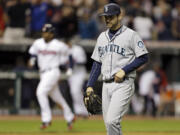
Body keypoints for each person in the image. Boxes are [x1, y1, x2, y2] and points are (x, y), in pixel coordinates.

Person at [85, 3, 148, 135]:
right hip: (105, 85)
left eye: (111, 16)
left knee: (112, 121)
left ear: (120, 16)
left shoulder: (131, 35)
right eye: (105, 17)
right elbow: (97, 63)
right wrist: (90, 85)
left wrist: (125, 70)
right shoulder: (102, 37)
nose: (107, 19)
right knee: (109, 126)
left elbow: (143, 57)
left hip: (123, 84)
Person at [28, 23, 75, 130]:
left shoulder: (58, 45)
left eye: (47, 32)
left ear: (52, 33)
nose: (45, 34)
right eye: (44, 32)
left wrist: (70, 68)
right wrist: (32, 59)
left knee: (40, 92)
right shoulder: (37, 43)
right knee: (57, 98)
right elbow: (33, 53)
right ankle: (70, 117)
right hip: (42, 73)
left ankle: (46, 119)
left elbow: (70, 54)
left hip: (53, 71)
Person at [64, 39, 88, 117]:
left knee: (76, 91)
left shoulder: (78, 49)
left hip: (79, 73)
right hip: (71, 74)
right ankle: (80, 111)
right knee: (73, 92)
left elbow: (83, 61)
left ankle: (82, 111)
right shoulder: (64, 51)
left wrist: (72, 62)